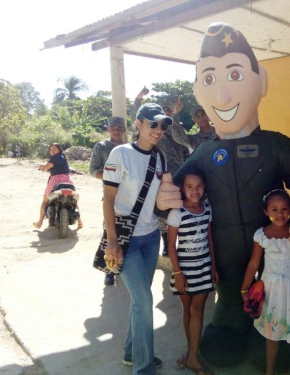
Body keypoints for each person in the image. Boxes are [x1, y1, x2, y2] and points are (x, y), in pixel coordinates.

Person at [156, 22, 290, 367]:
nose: (222, 97)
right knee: (228, 308)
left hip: (271, 249)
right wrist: (163, 202)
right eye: (209, 79)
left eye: (235, 75)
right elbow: (177, 193)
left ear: (262, 81)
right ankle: (230, 322)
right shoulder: (204, 154)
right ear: (197, 88)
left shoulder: (275, 146)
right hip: (222, 251)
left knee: (270, 295)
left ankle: (268, 334)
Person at [102, 103, 172, 374]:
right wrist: (112, 240)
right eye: (153, 124)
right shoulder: (120, 154)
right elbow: (108, 200)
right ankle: (143, 368)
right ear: (139, 123)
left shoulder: (161, 158)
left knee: (139, 300)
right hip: (125, 238)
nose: (159, 130)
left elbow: (164, 196)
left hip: (151, 236)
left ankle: (132, 352)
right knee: (144, 301)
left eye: (163, 125)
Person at [241, 189, 290, 375]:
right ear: (265, 212)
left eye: (284, 208)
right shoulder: (262, 235)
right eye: (274, 209)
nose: (280, 214)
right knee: (271, 334)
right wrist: (245, 288)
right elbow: (253, 263)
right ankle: (270, 372)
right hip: (271, 293)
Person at [167, 168, 218, 375]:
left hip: (203, 268)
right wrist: (177, 273)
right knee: (187, 311)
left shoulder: (207, 209)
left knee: (197, 310)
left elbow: (210, 239)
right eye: (189, 186)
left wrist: (213, 265)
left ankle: (194, 358)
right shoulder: (176, 213)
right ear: (182, 188)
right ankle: (191, 353)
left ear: (204, 188)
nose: (194, 191)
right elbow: (171, 245)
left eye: (198, 186)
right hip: (184, 270)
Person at [90, 116, 126, 286]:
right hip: (111, 196)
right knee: (109, 233)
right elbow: (93, 170)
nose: (117, 130)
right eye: (113, 127)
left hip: (130, 197)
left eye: (120, 127)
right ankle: (109, 269)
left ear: (124, 130)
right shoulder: (101, 147)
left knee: (127, 233)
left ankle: (123, 267)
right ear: (108, 129)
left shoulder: (130, 147)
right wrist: (112, 179)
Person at [157, 104, 190, 256]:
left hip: (179, 175)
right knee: (163, 212)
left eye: (169, 111)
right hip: (160, 177)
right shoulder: (157, 131)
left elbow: (185, 149)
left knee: (181, 208)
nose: (167, 113)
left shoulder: (177, 128)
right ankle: (166, 244)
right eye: (164, 111)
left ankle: (183, 241)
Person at [33, 143, 83, 230]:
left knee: (45, 201)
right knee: (73, 201)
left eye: (54, 149)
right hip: (68, 180)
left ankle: (40, 222)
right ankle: (80, 222)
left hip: (55, 181)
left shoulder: (55, 158)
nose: (52, 151)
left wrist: (42, 168)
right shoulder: (63, 158)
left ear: (59, 150)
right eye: (50, 149)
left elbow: (46, 168)